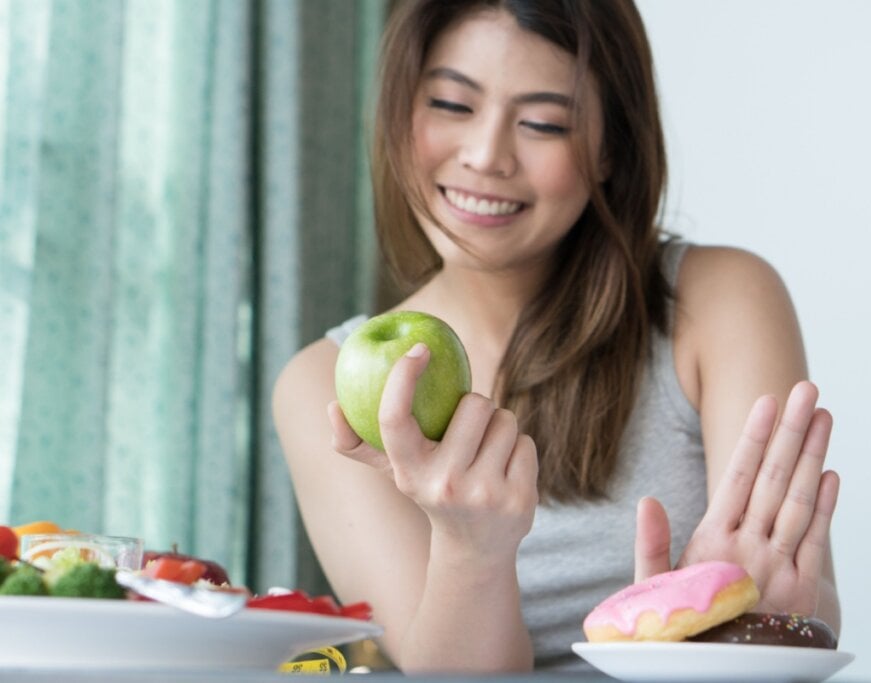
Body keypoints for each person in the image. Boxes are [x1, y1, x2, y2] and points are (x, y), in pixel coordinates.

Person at [273, 0, 840, 673]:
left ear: (609, 149)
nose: (485, 156)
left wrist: (742, 624)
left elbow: (804, 610)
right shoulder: (322, 384)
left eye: (542, 122)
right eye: (453, 105)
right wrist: (472, 548)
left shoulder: (717, 301)